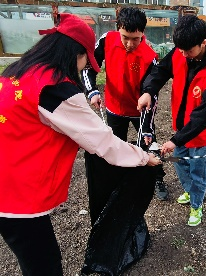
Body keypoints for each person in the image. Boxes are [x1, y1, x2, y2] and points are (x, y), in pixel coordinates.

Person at [0, 13, 160, 276]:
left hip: (8, 177)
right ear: (76, 53)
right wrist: (144, 158)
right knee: (44, 265)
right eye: (86, 60)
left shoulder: (20, 72)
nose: (85, 66)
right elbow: (102, 140)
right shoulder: (54, 88)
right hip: (14, 192)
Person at [137, 15, 206, 227]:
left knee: (198, 170)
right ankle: (190, 192)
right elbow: (160, 71)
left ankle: (197, 205)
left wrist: (175, 140)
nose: (184, 55)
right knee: (179, 164)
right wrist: (149, 91)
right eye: (180, 50)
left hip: (200, 135)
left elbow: (203, 116)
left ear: (203, 42)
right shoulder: (181, 52)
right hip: (179, 129)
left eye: (189, 51)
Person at [82, 7, 168, 201]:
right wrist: (92, 91)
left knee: (150, 144)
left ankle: (157, 178)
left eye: (135, 38)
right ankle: (118, 178)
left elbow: (151, 95)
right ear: (118, 28)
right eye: (125, 37)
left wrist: (146, 127)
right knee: (115, 144)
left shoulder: (149, 56)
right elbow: (89, 67)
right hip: (114, 107)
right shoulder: (106, 40)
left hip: (139, 111)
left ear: (143, 33)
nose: (130, 44)